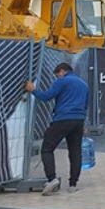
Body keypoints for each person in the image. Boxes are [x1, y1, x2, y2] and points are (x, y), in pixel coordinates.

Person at [24, 62, 89, 195]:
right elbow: (85, 106)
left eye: (57, 75)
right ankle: (73, 184)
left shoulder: (62, 81)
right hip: (78, 121)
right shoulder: (84, 84)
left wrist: (33, 89)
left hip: (63, 119)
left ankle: (52, 179)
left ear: (62, 71)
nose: (57, 78)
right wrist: (84, 125)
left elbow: (46, 97)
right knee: (75, 152)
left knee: (47, 148)